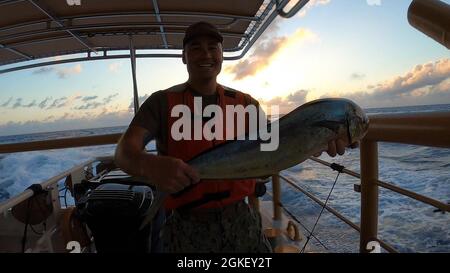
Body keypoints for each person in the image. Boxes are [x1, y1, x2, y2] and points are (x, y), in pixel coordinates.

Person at [114, 21, 356, 253]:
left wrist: (319, 142)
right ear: (184, 57)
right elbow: (124, 153)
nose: (205, 55)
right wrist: (151, 165)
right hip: (186, 224)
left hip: (241, 217)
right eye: (195, 48)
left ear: (222, 54)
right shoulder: (161, 102)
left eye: (213, 48)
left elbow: (275, 149)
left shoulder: (247, 104)